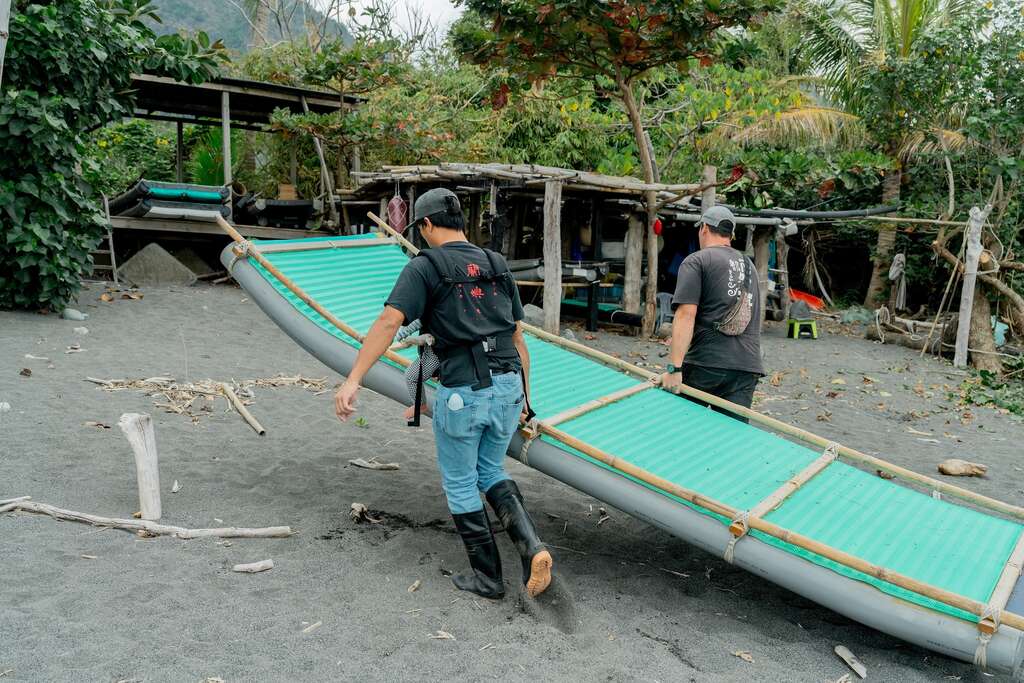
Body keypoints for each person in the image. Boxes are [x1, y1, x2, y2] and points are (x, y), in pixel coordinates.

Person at [334, 188, 553, 599]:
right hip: (509, 384)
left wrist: (353, 379)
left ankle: (488, 578)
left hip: (464, 392)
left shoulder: (425, 265)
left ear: (427, 225)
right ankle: (532, 548)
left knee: (460, 482)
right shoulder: (496, 262)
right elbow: (518, 339)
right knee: (491, 471)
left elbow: (389, 322)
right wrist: (525, 401)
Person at [662, 206, 764, 420]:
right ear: (731, 234)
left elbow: (685, 315)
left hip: (706, 364)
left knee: (681, 427)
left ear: (704, 228)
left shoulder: (697, 260)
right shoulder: (750, 266)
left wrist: (674, 369)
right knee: (731, 435)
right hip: (746, 367)